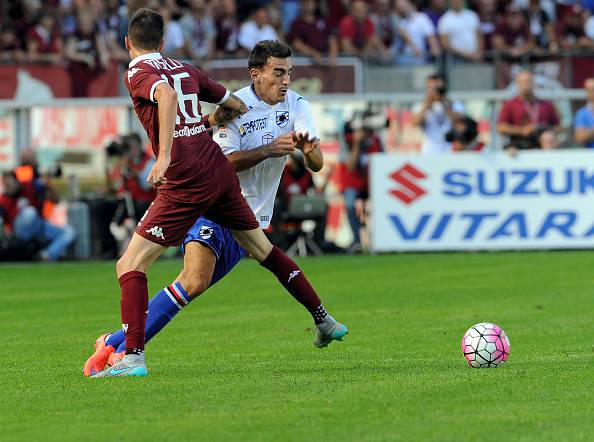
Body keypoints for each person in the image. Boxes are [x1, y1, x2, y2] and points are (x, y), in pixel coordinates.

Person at [85, 11, 347, 378]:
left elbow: (164, 95)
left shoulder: (137, 72)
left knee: (130, 265)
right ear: (163, 44)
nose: (286, 80)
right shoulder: (186, 68)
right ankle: (324, 320)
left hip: (190, 178)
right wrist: (216, 120)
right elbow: (230, 104)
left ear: (128, 43)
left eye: (288, 73)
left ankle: (131, 357)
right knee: (249, 258)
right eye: (279, 72)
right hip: (221, 177)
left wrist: (162, 157)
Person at [0, 171, 75, 261]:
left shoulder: (29, 186)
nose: (9, 187)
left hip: (38, 225)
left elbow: (56, 200)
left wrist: (47, 185)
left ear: (16, 180)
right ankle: (30, 244)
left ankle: (46, 255)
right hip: (19, 231)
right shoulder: (3, 200)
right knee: (29, 212)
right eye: (6, 184)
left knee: (69, 231)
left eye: (10, 183)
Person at [497, 70, 561, 151]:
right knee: (511, 151)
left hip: (541, 144)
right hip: (518, 143)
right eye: (523, 82)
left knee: (548, 138)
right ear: (517, 84)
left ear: (533, 83)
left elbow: (559, 127)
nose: (526, 85)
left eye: (528, 81)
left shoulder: (546, 104)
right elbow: (501, 127)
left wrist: (544, 130)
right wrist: (522, 130)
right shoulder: (510, 104)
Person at [412, 73, 465, 154]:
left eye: (437, 88)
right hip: (429, 150)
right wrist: (427, 104)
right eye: (431, 88)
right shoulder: (420, 105)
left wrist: (445, 105)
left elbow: (460, 123)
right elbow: (415, 122)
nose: (435, 91)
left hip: (451, 149)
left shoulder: (454, 104)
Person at [573, 77, 594, 148]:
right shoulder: (581, 113)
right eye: (589, 90)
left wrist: (588, 132)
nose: (592, 93)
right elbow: (579, 137)